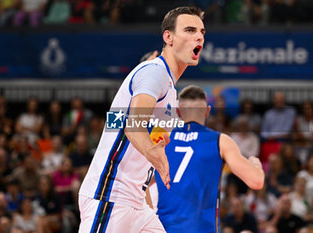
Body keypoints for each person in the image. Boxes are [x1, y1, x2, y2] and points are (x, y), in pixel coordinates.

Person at [78, 6, 205, 233]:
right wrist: (151, 148)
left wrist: (157, 148)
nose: (199, 36)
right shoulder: (154, 72)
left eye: (202, 32)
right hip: (111, 195)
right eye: (189, 29)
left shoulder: (170, 90)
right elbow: (132, 126)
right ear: (168, 37)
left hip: (137, 201)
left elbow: (121, 123)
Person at [155, 85, 264, 233]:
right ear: (207, 111)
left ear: (179, 113)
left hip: (162, 228)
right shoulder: (220, 140)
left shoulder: (161, 139)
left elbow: (140, 182)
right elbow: (256, 181)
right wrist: (255, 163)